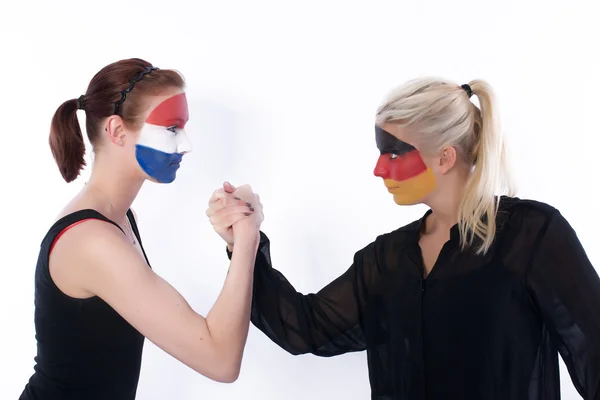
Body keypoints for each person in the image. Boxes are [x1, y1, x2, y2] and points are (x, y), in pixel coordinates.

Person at [206, 78, 600, 399]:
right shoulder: (387, 260)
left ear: (445, 158)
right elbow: (304, 327)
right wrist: (245, 242)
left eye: (394, 154)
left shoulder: (530, 235)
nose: (379, 169)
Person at [20, 58, 263, 400]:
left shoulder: (116, 217)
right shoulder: (91, 240)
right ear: (117, 131)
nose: (186, 145)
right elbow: (220, 360)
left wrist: (241, 243)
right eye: (171, 128)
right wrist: (247, 239)